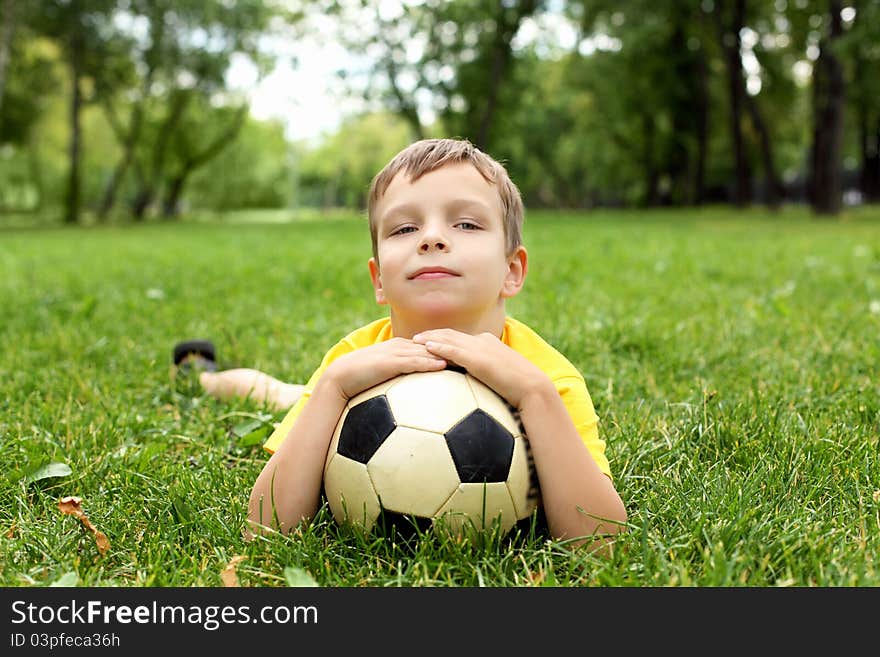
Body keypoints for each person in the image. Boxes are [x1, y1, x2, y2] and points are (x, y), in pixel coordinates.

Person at [177, 138, 627, 551]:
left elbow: (603, 543)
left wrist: (534, 397)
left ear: (512, 270)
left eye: (467, 223)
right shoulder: (352, 361)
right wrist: (332, 389)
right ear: (378, 281)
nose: (432, 238)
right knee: (280, 393)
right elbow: (266, 529)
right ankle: (205, 374)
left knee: (286, 392)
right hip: (338, 383)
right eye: (404, 229)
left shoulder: (545, 377)